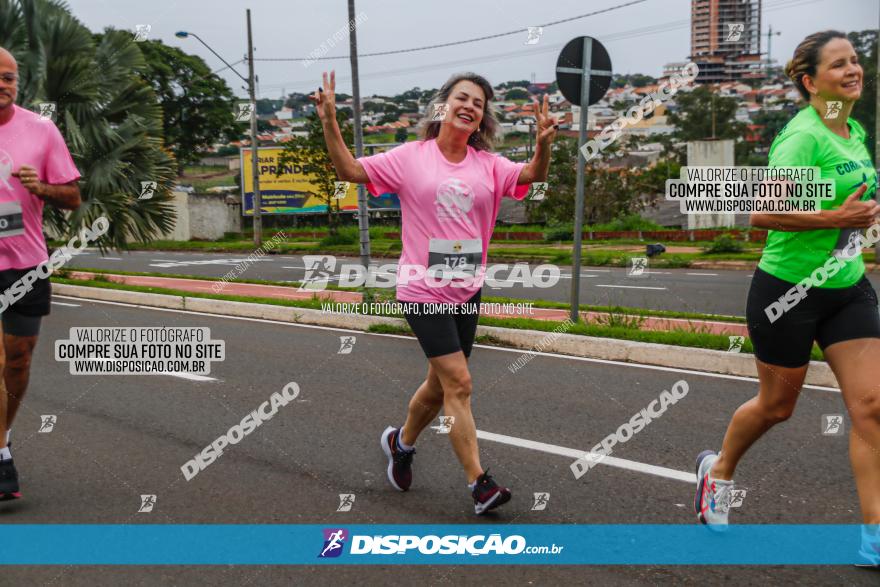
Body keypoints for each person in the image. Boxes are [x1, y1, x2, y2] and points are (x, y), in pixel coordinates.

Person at [312, 70, 556, 514]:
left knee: (438, 383)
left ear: (483, 119)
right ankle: (480, 485)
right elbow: (349, 170)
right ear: (443, 106)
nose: (470, 107)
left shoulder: (489, 165)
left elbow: (532, 176)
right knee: (459, 384)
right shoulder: (411, 158)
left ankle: (400, 443)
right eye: (462, 98)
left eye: (478, 104)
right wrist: (330, 120)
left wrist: (544, 143)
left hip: (466, 288)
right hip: (422, 289)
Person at [693, 31, 880, 566]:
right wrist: (836, 218)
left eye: (855, 62)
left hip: (847, 287)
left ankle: (874, 535)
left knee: (872, 406)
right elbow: (761, 214)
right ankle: (720, 470)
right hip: (789, 291)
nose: (853, 70)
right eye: (839, 64)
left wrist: (861, 217)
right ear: (809, 80)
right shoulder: (802, 137)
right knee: (778, 407)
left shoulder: (854, 129)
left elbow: (855, 199)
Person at [0, 47, 82, 500]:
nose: (3, 85)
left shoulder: (40, 129)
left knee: (17, 357)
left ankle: (3, 437)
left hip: (24, 265)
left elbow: (72, 197)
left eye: (9, 78)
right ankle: (1, 456)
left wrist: (41, 187)